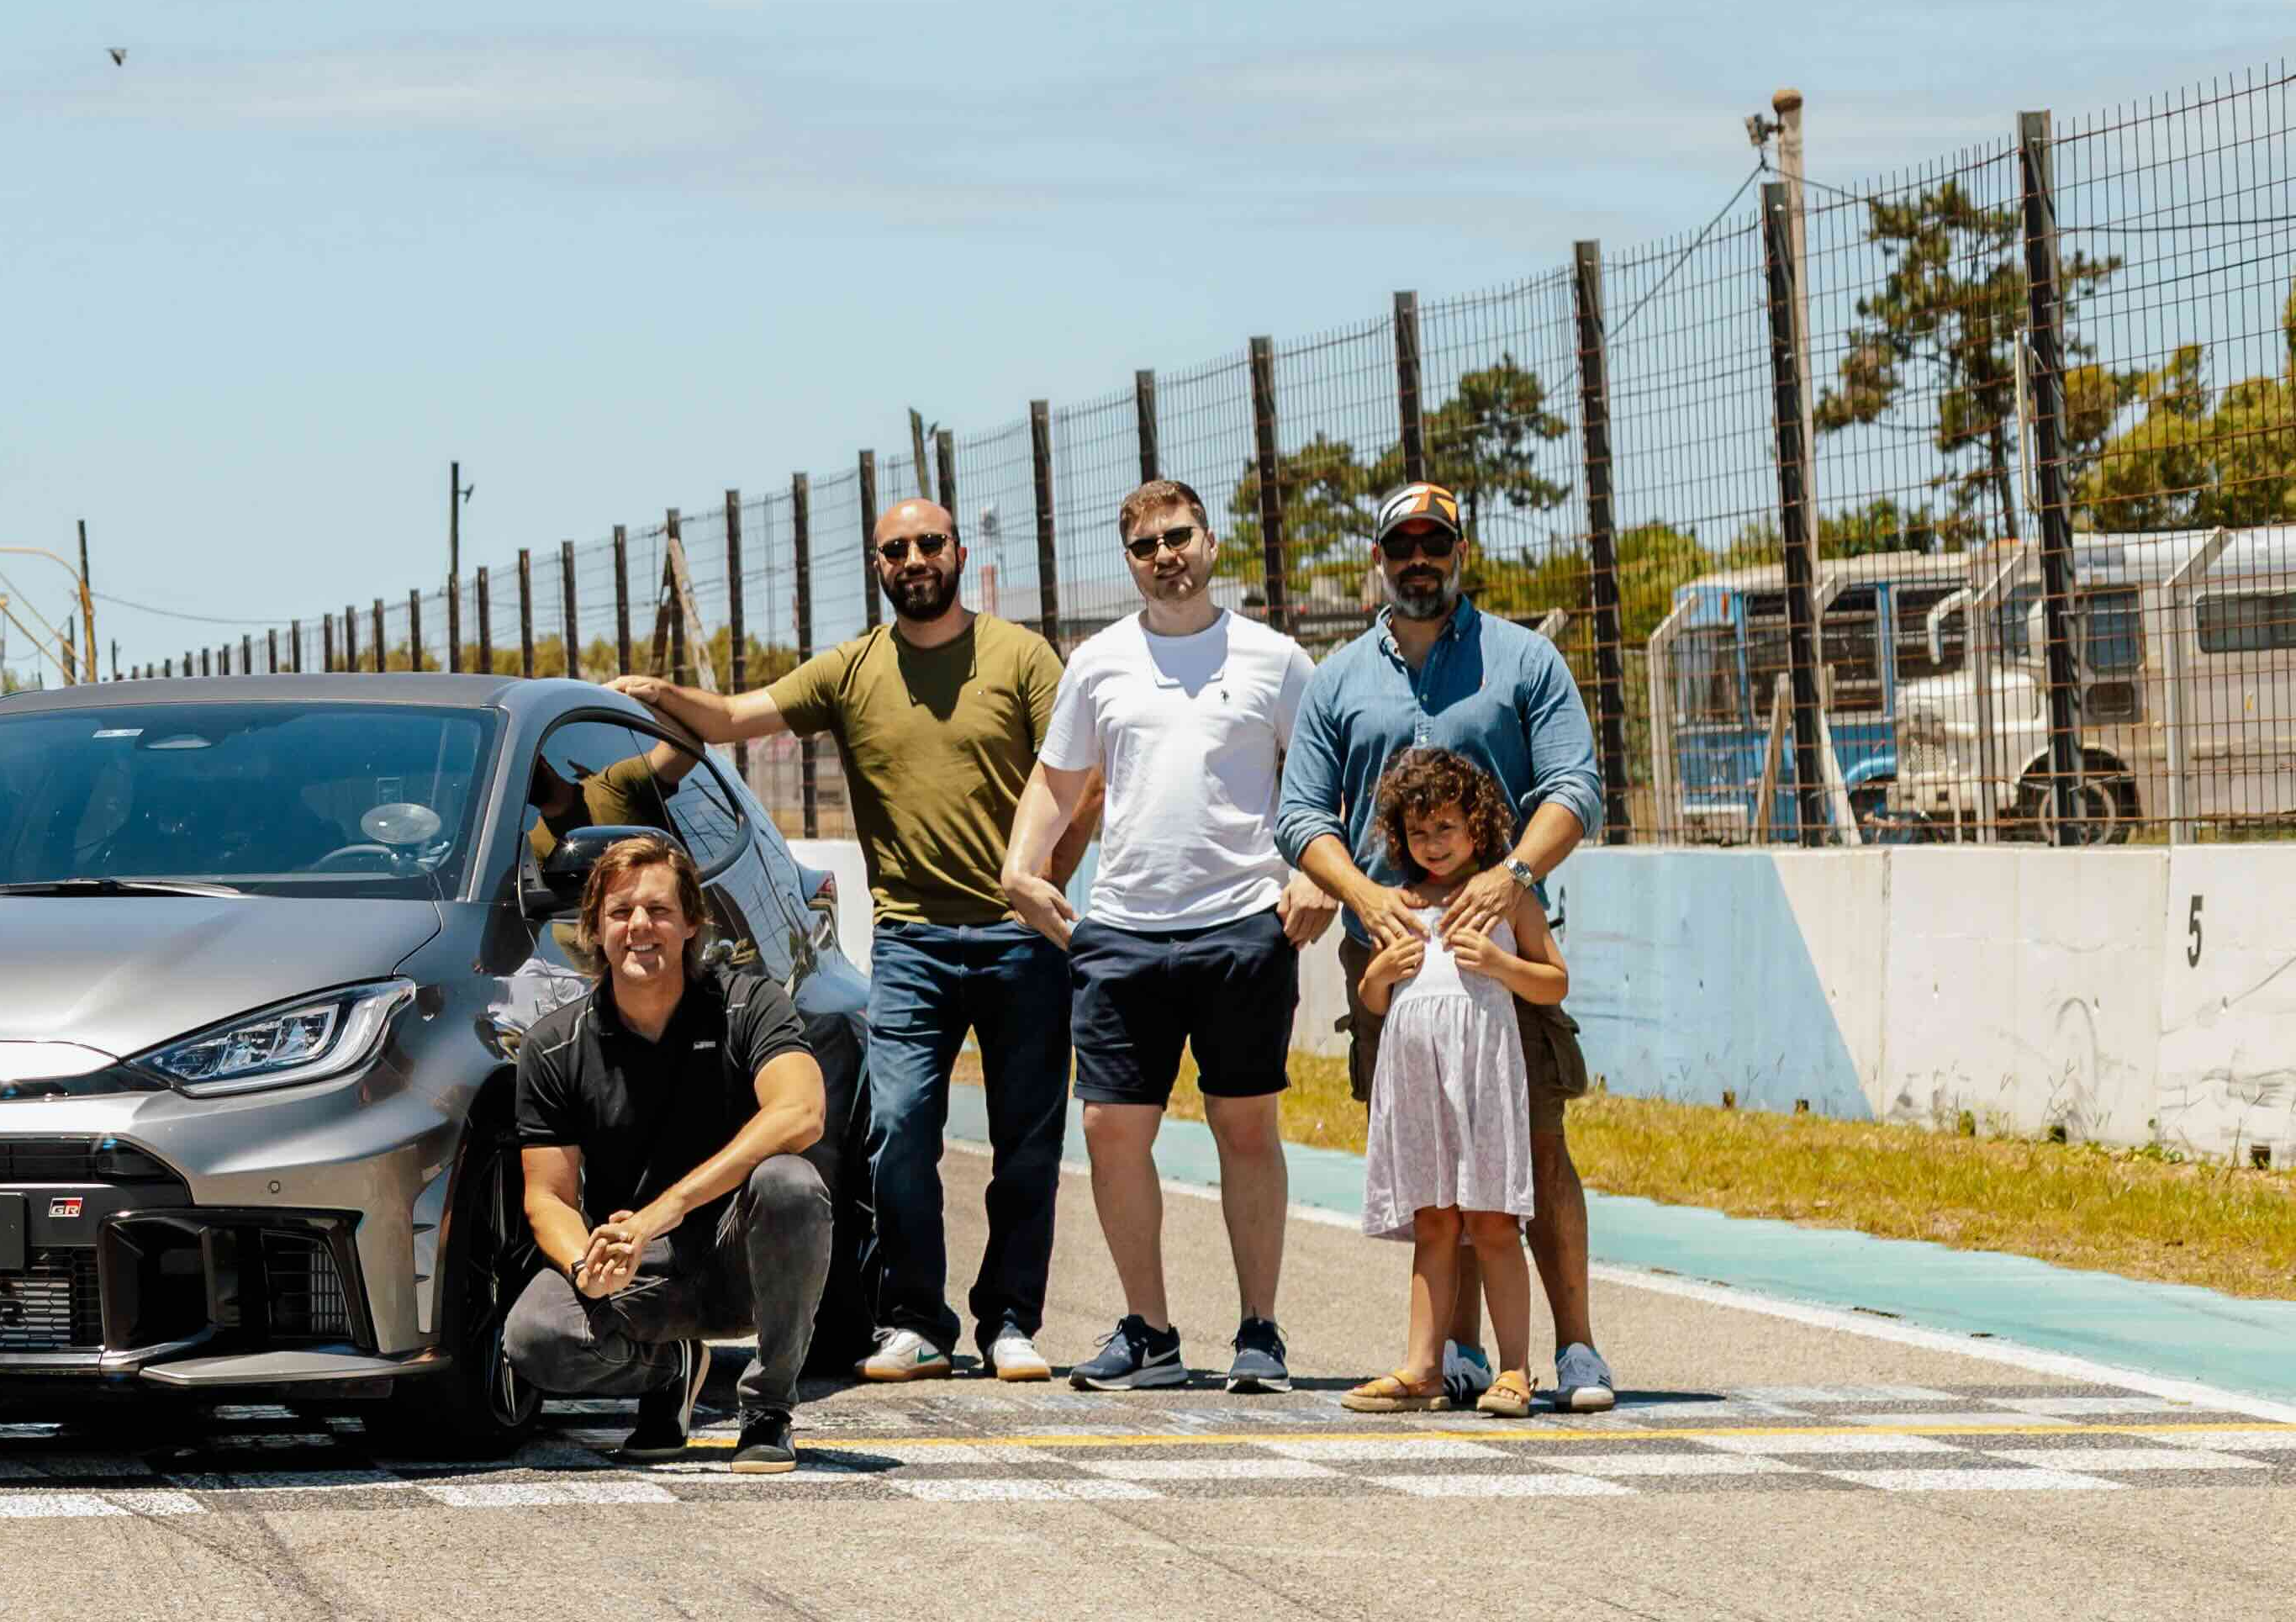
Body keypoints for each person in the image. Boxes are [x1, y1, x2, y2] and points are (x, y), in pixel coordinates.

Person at [616, 495, 1069, 1382]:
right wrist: (659, 694)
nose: (914, 559)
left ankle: (1010, 1318)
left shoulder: (1022, 657)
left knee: (1026, 1140)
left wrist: (1046, 879)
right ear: (879, 565)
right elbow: (736, 718)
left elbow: (1074, 775)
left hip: (1020, 940)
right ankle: (917, 1319)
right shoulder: (852, 669)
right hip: (910, 942)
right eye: (895, 549)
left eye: (929, 543)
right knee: (897, 1129)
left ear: (956, 550)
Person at [1278, 481, 1618, 1413]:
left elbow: (1576, 784)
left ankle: (1576, 1347)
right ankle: (1455, 1355)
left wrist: (1513, 876)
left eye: (1435, 542)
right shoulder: (1338, 677)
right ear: (1378, 560)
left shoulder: (1525, 659)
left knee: (1533, 1151)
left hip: (1495, 952)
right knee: (1438, 1168)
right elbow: (1300, 813)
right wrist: (1363, 894)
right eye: (1402, 545)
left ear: (1460, 551)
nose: (1418, 558)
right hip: (1390, 956)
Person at [997, 478, 1328, 1394]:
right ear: (1131, 562)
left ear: (1212, 542)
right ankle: (1150, 1332)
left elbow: (1321, 778)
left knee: (1246, 1128)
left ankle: (1260, 1332)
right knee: (1108, 1129)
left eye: (1178, 537)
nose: (1166, 556)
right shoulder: (1097, 662)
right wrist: (1021, 870)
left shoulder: (1275, 658)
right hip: (1125, 933)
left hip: (1242, 927)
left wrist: (1313, 875)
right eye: (1146, 547)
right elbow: (1058, 783)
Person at [504, 833, 829, 1472]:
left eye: (659, 911)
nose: (640, 927)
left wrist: (665, 1209)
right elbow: (546, 1195)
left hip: (742, 1255)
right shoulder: (551, 1047)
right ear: (594, 928)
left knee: (790, 1182)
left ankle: (768, 1406)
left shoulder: (749, 1003)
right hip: (641, 1267)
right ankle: (667, 1370)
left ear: (691, 925)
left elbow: (802, 1111)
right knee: (535, 1337)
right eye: (621, 912)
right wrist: (584, 1266)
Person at [1339, 751, 1567, 1419]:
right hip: (1415, 1080)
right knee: (1434, 1219)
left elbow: (1553, 981)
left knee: (1494, 1219)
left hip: (1483, 1071)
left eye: (1446, 828)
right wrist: (1379, 973)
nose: (1433, 846)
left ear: (1478, 826)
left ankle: (1516, 1369)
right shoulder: (1402, 904)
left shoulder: (1504, 897)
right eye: (1418, 833)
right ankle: (1422, 1369)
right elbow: (1375, 999)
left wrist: (1499, 962)